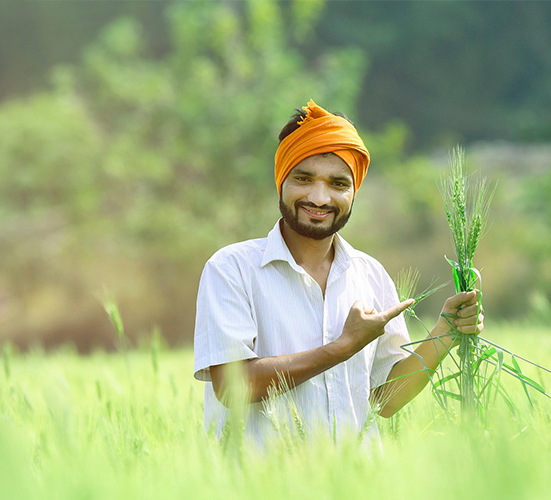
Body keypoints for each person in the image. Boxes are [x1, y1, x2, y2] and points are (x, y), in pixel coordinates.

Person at [193, 100, 483, 447]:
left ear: (353, 192)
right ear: (281, 181)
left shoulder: (370, 274)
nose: (319, 197)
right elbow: (233, 386)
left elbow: (386, 399)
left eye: (338, 184)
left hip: (353, 483)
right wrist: (343, 347)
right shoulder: (231, 269)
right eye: (303, 179)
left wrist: (445, 332)